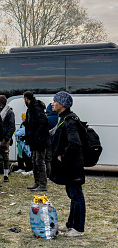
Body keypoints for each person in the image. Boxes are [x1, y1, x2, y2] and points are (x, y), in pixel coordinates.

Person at [50, 91, 86, 237]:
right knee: (73, 195)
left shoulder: (69, 121)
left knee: (77, 196)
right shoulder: (66, 118)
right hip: (71, 165)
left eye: (54, 101)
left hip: (72, 166)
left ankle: (78, 228)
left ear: (62, 104)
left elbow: (75, 143)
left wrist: (63, 157)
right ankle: (71, 225)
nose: (52, 103)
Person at [23, 91, 50, 192]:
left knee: (39, 161)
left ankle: (42, 184)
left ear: (26, 98)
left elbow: (43, 122)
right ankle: (37, 182)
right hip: (34, 139)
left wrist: (37, 136)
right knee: (34, 160)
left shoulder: (35, 107)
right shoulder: (32, 107)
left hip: (39, 140)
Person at [0, 95, 16, 182]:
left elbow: (12, 126)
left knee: (5, 156)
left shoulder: (9, 112)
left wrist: (7, 137)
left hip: (5, 138)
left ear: (0, 103)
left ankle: (5, 175)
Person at [45, 103, 59, 178]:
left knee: (48, 159)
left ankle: (49, 175)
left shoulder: (48, 119)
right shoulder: (58, 118)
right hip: (56, 142)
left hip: (49, 141)